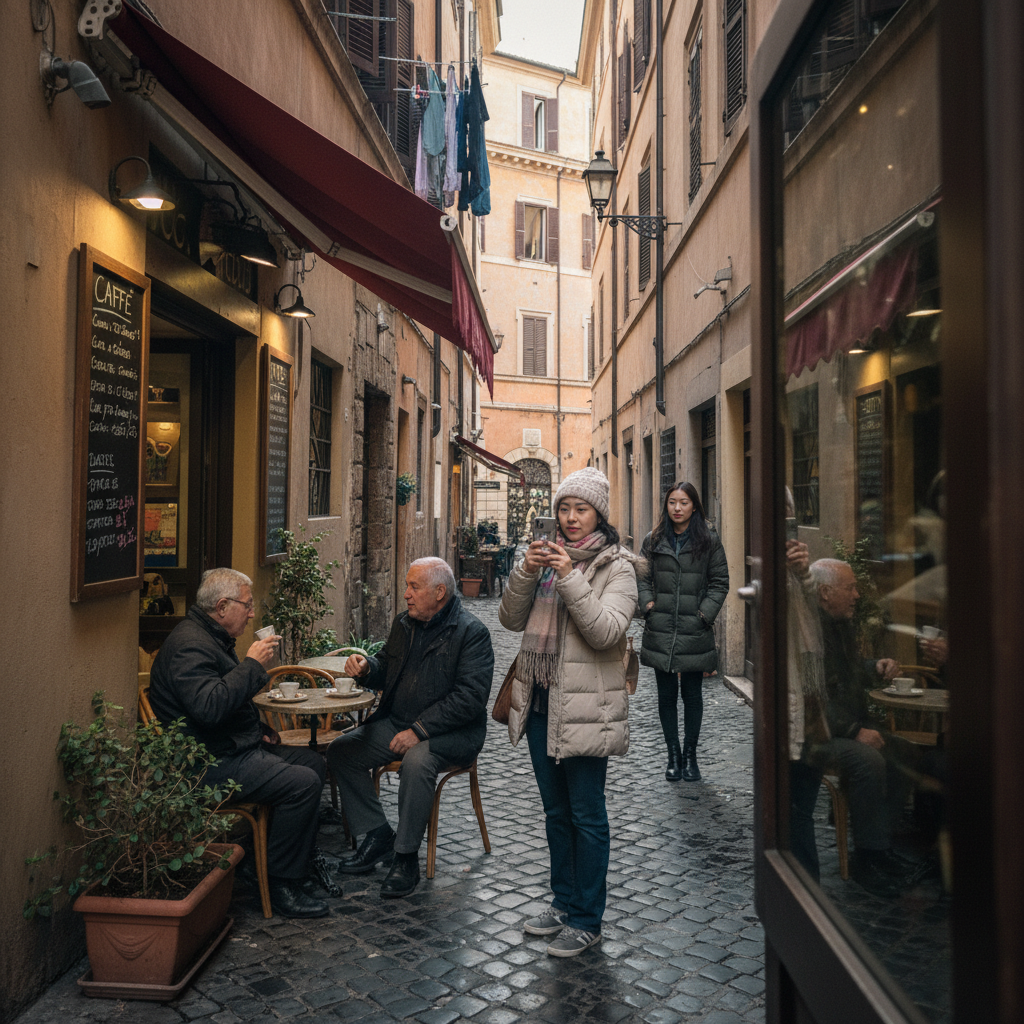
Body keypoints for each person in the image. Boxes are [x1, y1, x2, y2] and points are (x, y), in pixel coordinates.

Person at [498, 467, 638, 958]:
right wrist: (527, 571)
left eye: (581, 508)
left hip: (585, 707)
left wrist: (568, 576)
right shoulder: (544, 561)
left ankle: (586, 919)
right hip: (539, 700)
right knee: (555, 812)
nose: (571, 518)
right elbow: (510, 618)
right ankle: (563, 901)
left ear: (598, 511)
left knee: (586, 814)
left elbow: (606, 632)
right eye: (564, 508)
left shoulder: (618, 566)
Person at [148, 568, 331, 919]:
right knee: (302, 783)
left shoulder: (210, 637)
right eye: (246, 606)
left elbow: (224, 702)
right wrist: (252, 664)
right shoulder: (189, 645)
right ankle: (280, 882)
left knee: (313, 764)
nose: (251, 613)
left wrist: (258, 728)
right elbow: (210, 707)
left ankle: (271, 860)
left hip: (230, 746)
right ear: (221, 606)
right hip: (208, 764)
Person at [326, 557, 494, 898]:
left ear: (440, 593)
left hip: (454, 734)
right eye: (407, 586)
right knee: (342, 750)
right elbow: (387, 665)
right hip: (400, 723)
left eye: (414, 587)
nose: (406, 594)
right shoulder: (405, 624)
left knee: (417, 762)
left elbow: (469, 699)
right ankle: (376, 835)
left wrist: (419, 730)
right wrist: (366, 669)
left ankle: (405, 858)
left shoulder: (471, 633)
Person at [808, 558, 918, 897]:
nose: (857, 594)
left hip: (844, 727)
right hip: (818, 734)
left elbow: (849, 673)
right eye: (850, 588)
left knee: (906, 753)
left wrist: (875, 667)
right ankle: (867, 857)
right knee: (867, 761)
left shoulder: (840, 623)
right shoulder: (813, 631)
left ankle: (880, 846)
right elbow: (816, 696)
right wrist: (855, 731)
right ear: (826, 593)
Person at [637, 482, 729, 782]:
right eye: (673, 502)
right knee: (665, 696)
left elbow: (719, 581)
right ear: (666, 505)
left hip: (694, 627)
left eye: (684, 502)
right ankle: (672, 755)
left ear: (694, 506)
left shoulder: (708, 539)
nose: (677, 508)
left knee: (692, 695)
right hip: (661, 626)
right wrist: (648, 605)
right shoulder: (654, 539)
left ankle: (690, 756)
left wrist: (704, 614)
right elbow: (640, 575)